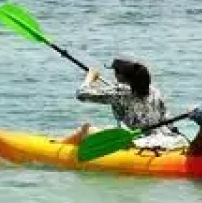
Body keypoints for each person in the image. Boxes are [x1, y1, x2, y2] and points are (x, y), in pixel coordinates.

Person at [58, 57, 188, 152]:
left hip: (138, 141)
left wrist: (90, 77)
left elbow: (81, 94)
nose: (114, 76)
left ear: (122, 77)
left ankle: (57, 147)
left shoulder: (120, 92)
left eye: (116, 73)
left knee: (86, 129)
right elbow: (168, 122)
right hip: (168, 139)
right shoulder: (154, 91)